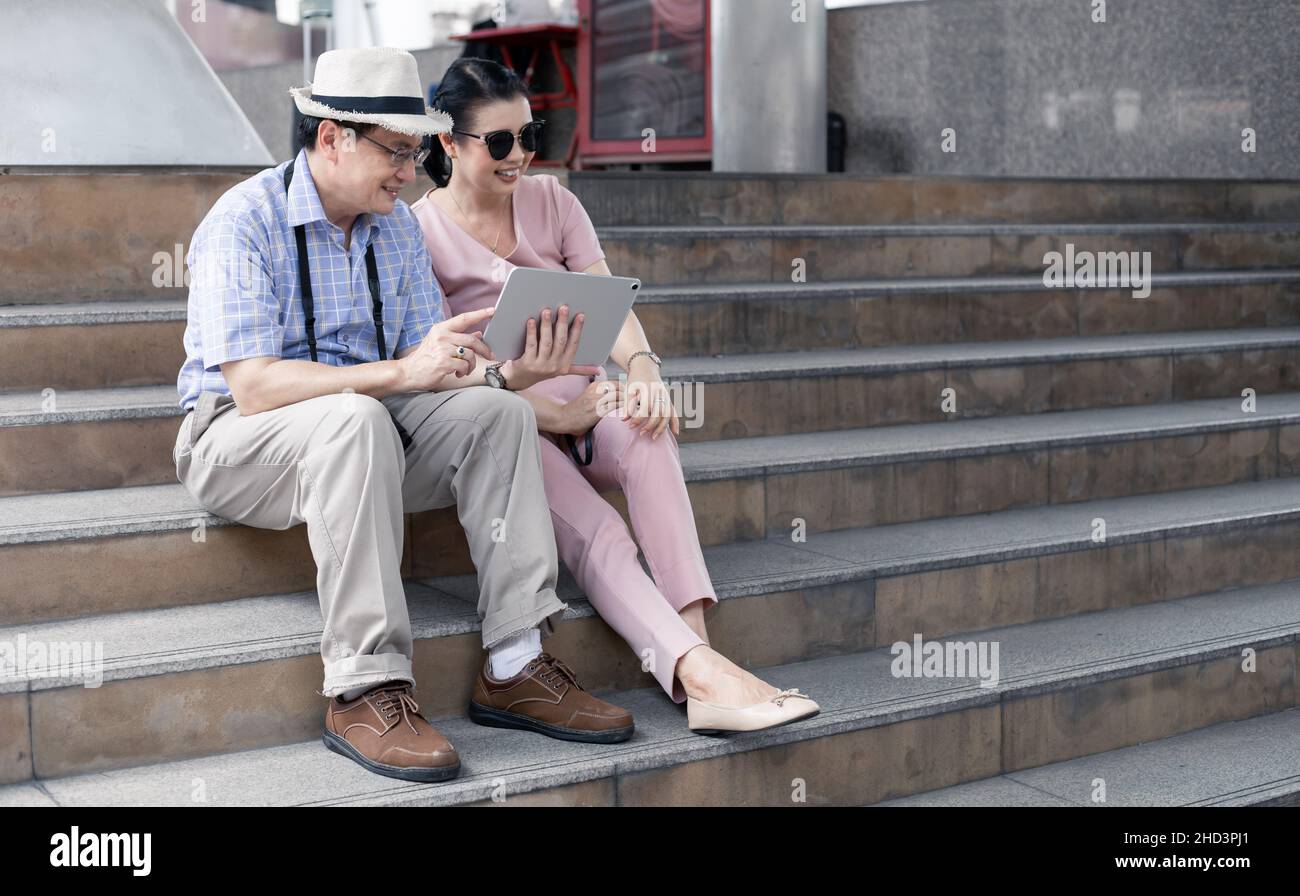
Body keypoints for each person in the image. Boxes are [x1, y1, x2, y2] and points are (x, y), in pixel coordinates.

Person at [172, 47, 635, 785]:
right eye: (396, 151)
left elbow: (436, 370)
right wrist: (397, 374)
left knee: (495, 414)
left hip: (371, 435)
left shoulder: (393, 229)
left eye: (417, 151)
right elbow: (255, 386)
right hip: (235, 441)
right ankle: (363, 688)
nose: (412, 170)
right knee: (352, 418)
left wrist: (514, 374)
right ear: (331, 138)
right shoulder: (244, 221)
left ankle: (515, 662)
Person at [411, 57, 819, 734]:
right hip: (507, 422)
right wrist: (552, 414)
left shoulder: (554, 202)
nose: (521, 157)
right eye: (501, 143)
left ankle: (699, 658)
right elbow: (452, 376)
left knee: (650, 433)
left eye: (530, 135)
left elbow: (613, 302)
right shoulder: (417, 234)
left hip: (590, 399)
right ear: (449, 143)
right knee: (598, 529)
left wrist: (645, 370)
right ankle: (700, 675)